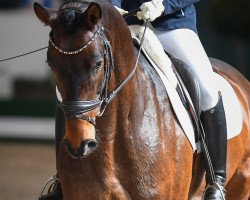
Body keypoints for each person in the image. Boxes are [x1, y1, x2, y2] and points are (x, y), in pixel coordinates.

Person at [39, 1, 227, 200]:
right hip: (122, 24)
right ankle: (62, 179)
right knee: (67, 93)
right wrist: (113, 6)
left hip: (171, 26)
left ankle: (216, 181)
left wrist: (163, 5)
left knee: (208, 91)